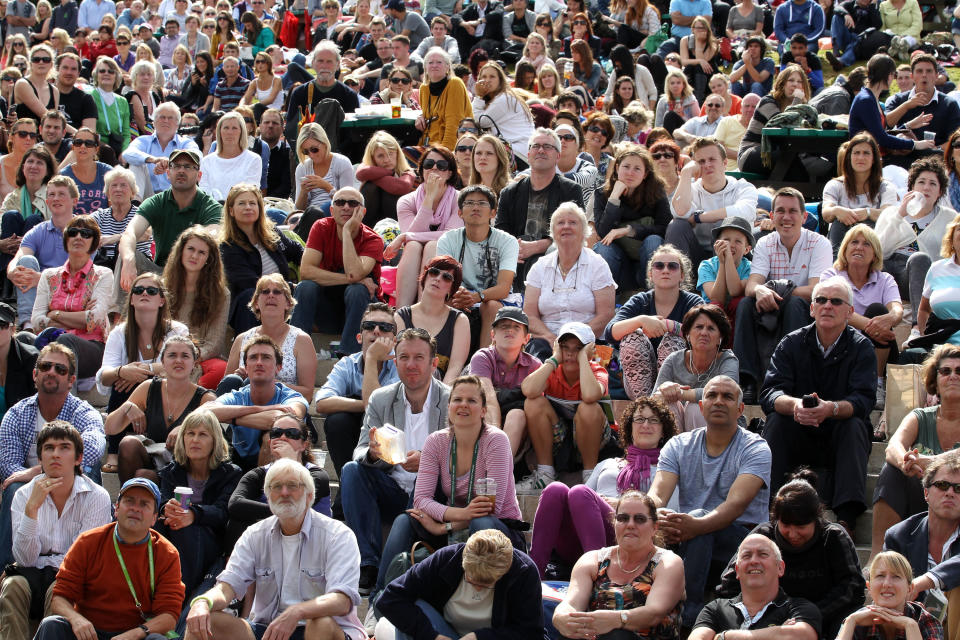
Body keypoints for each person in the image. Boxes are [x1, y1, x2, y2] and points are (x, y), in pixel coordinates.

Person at [184, 457, 366, 640]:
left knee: (320, 622)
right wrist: (203, 602)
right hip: (270, 630)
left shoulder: (337, 535)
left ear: (309, 495)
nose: (284, 492)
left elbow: (342, 600)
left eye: (293, 486)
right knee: (206, 620)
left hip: (327, 631)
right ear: (268, 496)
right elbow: (227, 587)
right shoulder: (254, 535)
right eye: (276, 487)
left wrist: (298, 611)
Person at [649, 375, 772, 628]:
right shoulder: (679, 444)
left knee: (700, 521)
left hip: (742, 541)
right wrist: (656, 516)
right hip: (690, 536)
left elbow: (734, 506)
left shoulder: (756, 448)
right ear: (702, 406)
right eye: (712, 395)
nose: (718, 401)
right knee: (648, 521)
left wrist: (694, 525)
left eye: (727, 397)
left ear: (740, 409)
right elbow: (657, 495)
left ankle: (688, 612)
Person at [379, 374, 526, 584]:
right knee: (405, 520)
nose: (463, 405)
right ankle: (381, 594)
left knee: (481, 522)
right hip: (457, 524)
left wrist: (445, 526)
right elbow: (421, 500)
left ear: (483, 410)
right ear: (448, 407)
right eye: (457, 399)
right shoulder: (436, 442)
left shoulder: (496, 441)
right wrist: (460, 514)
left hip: (499, 531)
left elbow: (492, 508)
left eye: (472, 400)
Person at [760, 276, 877, 534]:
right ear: (811, 308)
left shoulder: (862, 348)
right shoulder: (790, 343)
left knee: (855, 425)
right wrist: (796, 406)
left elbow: (864, 399)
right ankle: (770, 512)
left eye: (836, 301)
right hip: (798, 431)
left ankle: (846, 520)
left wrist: (831, 409)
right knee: (777, 421)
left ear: (850, 311)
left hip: (837, 436)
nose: (827, 306)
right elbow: (770, 393)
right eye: (821, 300)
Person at [340, 328, 450, 595]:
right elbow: (360, 450)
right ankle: (367, 564)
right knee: (351, 470)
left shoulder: (450, 400)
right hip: (391, 486)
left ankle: (391, 578)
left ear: (433, 363)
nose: (411, 365)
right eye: (404, 357)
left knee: (428, 485)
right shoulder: (381, 398)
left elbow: (465, 457)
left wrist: (428, 462)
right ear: (395, 361)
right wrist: (373, 454)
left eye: (419, 357)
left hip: (433, 493)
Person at [529, 398, 679, 577]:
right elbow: (578, 503)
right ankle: (534, 573)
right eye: (639, 419)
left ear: (663, 431)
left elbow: (667, 515)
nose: (646, 424)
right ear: (630, 428)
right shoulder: (608, 464)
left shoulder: (666, 471)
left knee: (580, 492)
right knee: (556, 490)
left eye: (654, 420)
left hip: (627, 535)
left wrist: (622, 506)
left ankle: (599, 575)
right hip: (582, 537)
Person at [32, 477, 184, 640]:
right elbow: (60, 598)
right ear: (116, 509)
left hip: (135, 634)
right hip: (89, 633)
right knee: (52, 625)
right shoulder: (88, 542)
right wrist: (75, 619)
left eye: (144, 504)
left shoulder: (166, 553)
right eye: (129, 501)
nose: (135, 509)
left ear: (154, 518)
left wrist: (136, 634)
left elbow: (169, 616)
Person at [717, 471, 865, 638]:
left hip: (826, 617)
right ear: (775, 519)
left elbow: (852, 586)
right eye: (786, 525)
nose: (793, 534)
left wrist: (809, 617)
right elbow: (729, 584)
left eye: (801, 526)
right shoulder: (763, 537)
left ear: (816, 520)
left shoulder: (833, 537)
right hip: (767, 620)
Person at [0, 422, 111, 640]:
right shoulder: (23, 495)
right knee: (12, 586)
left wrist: (48, 564)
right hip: (32, 571)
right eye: (49, 448)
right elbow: (25, 559)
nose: (55, 455)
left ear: (78, 458)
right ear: (40, 459)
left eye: (64, 447)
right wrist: (32, 509)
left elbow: (84, 559)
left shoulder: (97, 496)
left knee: (59, 590)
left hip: (70, 575)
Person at [733, 187, 832, 402]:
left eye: (792, 211)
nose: (786, 217)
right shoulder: (765, 243)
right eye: (780, 211)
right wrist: (760, 290)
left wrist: (780, 293)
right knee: (745, 304)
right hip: (770, 307)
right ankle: (746, 379)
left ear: (804, 217)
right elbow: (752, 285)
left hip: (804, 310)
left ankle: (788, 376)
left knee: (795, 302)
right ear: (771, 215)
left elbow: (817, 290)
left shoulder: (819, 243)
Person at [551, 490, 685, 639]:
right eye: (623, 518)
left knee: (617, 636)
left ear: (655, 527)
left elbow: (654, 613)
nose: (630, 525)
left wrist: (617, 620)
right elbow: (572, 603)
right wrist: (560, 616)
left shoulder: (668, 563)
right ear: (614, 523)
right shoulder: (593, 561)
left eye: (640, 519)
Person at [96, 272, 189, 473]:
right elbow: (104, 375)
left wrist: (141, 370)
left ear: (162, 300)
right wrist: (122, 370)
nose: (144, 293)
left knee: (133, 380)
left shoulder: (177, 331)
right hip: (129, 402)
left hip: (167, 396)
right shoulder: (119, 333)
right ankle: (113, 451)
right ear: (131, 299)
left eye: (151, 290)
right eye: (138, 290)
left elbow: (179, 365)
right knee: (120, 381)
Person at [376, 528, 543, 640]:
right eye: (471, 580)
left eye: (486, 584)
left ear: (506, 570)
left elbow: (531, 632)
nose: (478, 588)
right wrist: (432, 636)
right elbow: (390, 598)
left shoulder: (523, 572)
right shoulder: (446, 559)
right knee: (410, 609)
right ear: (463, 560)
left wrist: (480, 637)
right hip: (443, 631)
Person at [314, 302, 399, 504]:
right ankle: (349, 484)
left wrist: (370, 359)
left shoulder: (400, 364)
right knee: (337, 421)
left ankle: (349, 493)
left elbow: (380, 411)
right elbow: (322, 403)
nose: (376, 331)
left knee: (378, 422)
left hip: (388, 442)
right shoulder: (347, 364)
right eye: (369, 326)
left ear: (394, 340)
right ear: (359, 337)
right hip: (354, 440)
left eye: (385, 327)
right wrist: (359, 404)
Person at [104, 334, 215, 485]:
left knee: (144, 476)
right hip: (153, 461)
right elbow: (110, 428)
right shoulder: (148, 387)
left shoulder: (205, 398)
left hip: (185, 470)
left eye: (185, 356)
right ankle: (128, 500)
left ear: (194, 363)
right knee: (128, 443)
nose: (178, 360)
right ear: (162, 362)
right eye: (172, 355)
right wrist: (126, 407)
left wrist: (185, 427)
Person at [155, 408, 240, 601]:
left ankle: (180, 597)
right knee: (156, 526)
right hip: (175, 531)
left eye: (203, 435)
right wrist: (166, 509)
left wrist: (193, 515)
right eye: (190, 434)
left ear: (215, 441)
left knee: (187, 530)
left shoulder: (230, 473)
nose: (195, 440)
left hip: (211, 541)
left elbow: (223, 512)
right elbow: (162, 503)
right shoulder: (171, 472)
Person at [517, 321, 611, 492]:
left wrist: (583, 359)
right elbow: (528, 390)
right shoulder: (552, 368)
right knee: (534, 402)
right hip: (558, 437)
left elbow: (590, 395)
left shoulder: (597, 371)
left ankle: (590, 477)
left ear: (589, 350)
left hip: (592, 438)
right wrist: (554, 358)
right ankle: (545, 474)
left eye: (578, 348)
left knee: (588, 407)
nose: (570, 353)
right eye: (565, 347)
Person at [116, 148, 221, 295]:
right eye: (176, 166)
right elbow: (130, 233)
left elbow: (212, 237)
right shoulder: (157, 202)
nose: (181, 171)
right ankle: (122, 316)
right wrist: (128, 260)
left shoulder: (210, 206)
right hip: (160, 270)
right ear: (168, 173)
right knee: (126, 256)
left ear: (199, 175)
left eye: (188, 167)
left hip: (193, 272)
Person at [290, 188, 381, 356]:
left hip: (360, 315)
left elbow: (354, 274)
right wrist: (352, 279)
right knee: (305, 287)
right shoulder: (321, 227)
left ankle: (348, 357)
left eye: (352, 203)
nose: (346, 207)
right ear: (332, 210)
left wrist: (346, 232)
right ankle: (293, 351)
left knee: (357, 290)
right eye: (340, 203)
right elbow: (306, 272)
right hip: (328, 313)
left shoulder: (372, 239)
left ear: (363, 211)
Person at [820, 224, 902, 410]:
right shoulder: (831, 275)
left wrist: (889, 318)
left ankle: (877, 382)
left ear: (875, 254)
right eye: (854, 242)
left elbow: (897, 309)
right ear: (845, 249)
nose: (859, 247)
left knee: (878, 310)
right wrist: (871, 326)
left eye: (866, 244)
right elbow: (832, 309)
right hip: (843, 342)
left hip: (879, 346)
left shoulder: (885, 279)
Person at [605, 245, 702, 400]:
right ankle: (645, 404)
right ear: (650, 274)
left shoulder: (693, 302)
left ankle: (662, 400)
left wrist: (669, 326)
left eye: (672, 266)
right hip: (638, 384)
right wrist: (642, 321)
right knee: (632, 338)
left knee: (672, 341)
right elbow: (610, 332)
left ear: (682, 275)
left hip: (681, 385)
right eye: (659, 266)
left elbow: (705, 334)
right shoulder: (640, 301)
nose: (665, 270)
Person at [876, 157, 955, 343]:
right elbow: (877, 252)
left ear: (940, 192)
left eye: (932, 184)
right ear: (911, 188)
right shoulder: (891, 213)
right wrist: (899, 215)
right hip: (889, 268)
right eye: (921, 182)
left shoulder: (950, 218)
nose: (926, 188)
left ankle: (918, 327)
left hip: (920, 272)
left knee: (919, 259)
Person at [524, 203, 615, 361]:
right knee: (539, 358)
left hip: (587, 341)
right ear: (553, 231)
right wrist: (550, 337)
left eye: (573, 222)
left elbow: (606, 314)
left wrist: (575, 339)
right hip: (547, 342)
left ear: (584, 231)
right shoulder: (539, 267)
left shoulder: (598, 264)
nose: (566, 226)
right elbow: (530, 315)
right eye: (560, 223)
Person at [883, 450, 960, 635]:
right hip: (914, 624)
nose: (950, 493)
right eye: (942, 485)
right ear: (926, 493)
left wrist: (925, 581)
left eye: (959, 488)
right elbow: (887, 584)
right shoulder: (899, 535)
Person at [226, 414, 332, 545]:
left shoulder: (317, 474)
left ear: (304, 444)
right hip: (272, 541)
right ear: (270, 443)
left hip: (311, 543)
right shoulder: (258, 474)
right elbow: (235, 504)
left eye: (291, 433)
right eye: (276, 433)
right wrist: (281, 511)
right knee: (237, 521)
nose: (283, 437)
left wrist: (290, 461)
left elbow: (303, 499)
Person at [690, 534, 822, 640]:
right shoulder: (715, 609)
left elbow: (802, 635)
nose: (754, 561)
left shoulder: (799, 608)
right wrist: (777, 633)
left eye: (763, 554)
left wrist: (726, 636)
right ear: (737, 570)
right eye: (746, 556)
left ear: (780, 568)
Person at [206, 335, 309, 470]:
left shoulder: (292, 397)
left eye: (266, 357)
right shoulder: (237, 396)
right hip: (239, 459)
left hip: (282, 466)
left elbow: (281, 420)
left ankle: (262, 490)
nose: (259, 362)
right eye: (253, 357)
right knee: (205, 430)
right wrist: (259, 409)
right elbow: (205, 411)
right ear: (246, 367)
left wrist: (233, 419)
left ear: (279, 367)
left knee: (272, 437)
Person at [495, 129, 583, 285]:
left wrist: (538, 246)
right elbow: (501, 232)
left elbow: (574, 233)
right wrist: (513, 250)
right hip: (516, 258)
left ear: (558, 156)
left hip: (553, 258)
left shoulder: (570, 190)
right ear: (528, 155)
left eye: (547, 147)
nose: (541, 150)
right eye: (536, 146)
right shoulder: (510, 193)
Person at [30, 215, 112, 380]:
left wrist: (55, 314)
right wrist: (80, 317)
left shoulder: (103, 274)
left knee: (66, 340)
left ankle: (65, 401)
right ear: (66, 239)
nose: (79, 237)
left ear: (94, 242)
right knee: (23, 339)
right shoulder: (49, 276)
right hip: (52, 343)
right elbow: (36, 321)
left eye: (86, 233)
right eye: (73, 232)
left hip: (91, 347)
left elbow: (93, 319)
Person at [437, 186, 519, 350]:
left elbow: (504, 288)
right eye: (469, 203)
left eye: (482, 203)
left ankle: (483, 363)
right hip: (459, 294)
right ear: (460, 212)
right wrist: (459, 293)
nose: (475, 207)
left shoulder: (507, 241)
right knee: (444, 301)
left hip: (493, 298)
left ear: (493, 213)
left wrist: (476, 297)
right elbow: (443, 278)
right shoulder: (448, 239)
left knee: (491, 306)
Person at [218, 184, 302, 332]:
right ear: (231, 211)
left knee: (308, 289)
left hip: (281, 297)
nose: (248, 207)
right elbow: (249, 282)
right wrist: (288, 287)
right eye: (242, 203)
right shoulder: (227, 247)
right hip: (251, 304)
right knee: (251, 295)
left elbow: (297, 251)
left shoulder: (272, 234)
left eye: (252, 203)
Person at [387, 147, 463, 308]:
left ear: (449, 172)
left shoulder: (459, 199)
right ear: (422, 171)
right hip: (413, 257)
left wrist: (405, 236)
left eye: (441, 165)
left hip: (451, 256)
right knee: (413, 245)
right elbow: (413, 236)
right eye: (429, 164)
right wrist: (428, 199)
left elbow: (450, 236)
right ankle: (402, 312)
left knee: (432, 245)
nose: (434, 168)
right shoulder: (406, 201)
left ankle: (424, 309)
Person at [667, 137, 759, 269]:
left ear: (725, 162)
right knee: (676, 225)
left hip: (730, 260)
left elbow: (745, 212)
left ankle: (720, 284)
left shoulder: (742, 187)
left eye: (712, 159)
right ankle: (679, 282)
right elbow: (679, 213)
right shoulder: (692, 188)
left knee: (726, 224)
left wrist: (699, 217)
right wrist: (686, 172)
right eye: (701, 161)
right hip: (696, 253)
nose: (707, 165)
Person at [6, 173, 80, 331]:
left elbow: (82, 273)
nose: (56, 198)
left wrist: (42, 278)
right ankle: (28, 326)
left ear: (74, 201)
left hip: (72, 293)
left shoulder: (85, 231)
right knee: (26, 262)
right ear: (47, 202)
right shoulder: (39, 230)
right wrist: (12, 271)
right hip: (38, 295)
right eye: (52, 195)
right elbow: (20, 255)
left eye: (61, 194)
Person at [592, 145, 671, 292]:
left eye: (637, 169)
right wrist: (614, 198)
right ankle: (607, 299)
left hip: (647, 260)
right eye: (626, 166)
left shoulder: (656, 191)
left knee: (653, 240)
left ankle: (655, 296)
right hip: (620, 262)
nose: (630, 173)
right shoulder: (602, 193)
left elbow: (665, 227)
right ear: (617, 168)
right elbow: (603, 233)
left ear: (645, 173)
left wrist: (629, 230)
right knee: (603, 248)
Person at [653, 304, 739, 431]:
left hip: (721, 430)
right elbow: (654, 399)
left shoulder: (727, 360)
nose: (704, 332)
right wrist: (664, 389)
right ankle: (674, 450)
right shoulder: (673, 359)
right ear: (687, 334)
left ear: (720, 338)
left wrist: (681, 393)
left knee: (697, 407)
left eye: (711, 328)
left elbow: (726, 392)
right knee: (666, 405)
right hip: (677, 429)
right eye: (699, 327)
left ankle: (701, 451)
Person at [162, 227, 229, 388]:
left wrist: (189, 358)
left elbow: (215, 343)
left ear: (209, 259)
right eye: (190, 249)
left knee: (221, 370)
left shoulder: (221, 294)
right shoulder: (161, 288)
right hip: (165, 356)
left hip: (200, 358)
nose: (194, 256)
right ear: (181, 251)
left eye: (201, 252)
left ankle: (192, 398)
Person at [467, 306, 541, 454]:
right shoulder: (482, 357)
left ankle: (499, 469)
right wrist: (495, 435)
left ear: (526, 338)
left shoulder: (535, 365)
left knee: (517, 415)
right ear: (493, 335)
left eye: (516, 327)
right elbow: (486, 397)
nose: (510, 330)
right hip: (483, 417)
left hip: (519, 430)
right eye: (504, 326)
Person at [394, 255, 470, 385]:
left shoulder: (460, 320)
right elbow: (398, 363)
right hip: (406, 385)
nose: (438, 279)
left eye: (447, 277)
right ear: (425, 276)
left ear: (452, 289)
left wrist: (441, 396)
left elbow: (455, 367)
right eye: (434, 272)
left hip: (442, 387)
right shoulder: (400, 316)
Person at [836, 551, 942, 640]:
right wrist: (850, 621)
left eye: (896, 576)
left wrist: (910, 626)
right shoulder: (856, 620)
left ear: (910, 588)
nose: (887, 584)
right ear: (869, 587)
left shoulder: (925, 620)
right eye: (880, 576)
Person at [822, 132, 899, 253]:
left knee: (869, 223)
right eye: (856, 153)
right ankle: (837, 267)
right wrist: (837, 210)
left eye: (866, 153)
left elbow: (890, 216)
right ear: (849, 157)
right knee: (838, 222)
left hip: (874, 244)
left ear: (874, 158)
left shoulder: (886, 187)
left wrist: (867, 212)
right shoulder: (835, 185)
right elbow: (826, 213)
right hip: (842, 242)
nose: (861, 157)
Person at [849, 54, 936, 160]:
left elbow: (881, 132)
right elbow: (882, 138)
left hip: (875, 156)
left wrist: (908, 125)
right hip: (867, 158)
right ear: (889, 75)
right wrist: (916, 144)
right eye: (895, 75)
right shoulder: (866, 100)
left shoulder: (871, 98)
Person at [738, 65, 812, 174]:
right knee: (789, 160)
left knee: (799, 165)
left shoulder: (801, 107)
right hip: (751, 153)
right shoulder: (767, 102)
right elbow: (783, 124)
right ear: (782, 84)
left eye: (799, 82)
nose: (795, 84)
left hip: (776, 151)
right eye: (791, 80)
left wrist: (804, 107)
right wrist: (797, 101)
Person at [121, 101, 199, 199]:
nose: (166, 120)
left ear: (177, 124)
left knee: (190, 165)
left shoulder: (185, 142)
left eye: (170, 118)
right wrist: (154, 160)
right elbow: (127, 154)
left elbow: (197, 156)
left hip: (176, 194)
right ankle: (136, 205)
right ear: (154, 122)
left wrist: (170, 162)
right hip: (147, 195)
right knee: (136, 164)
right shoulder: (143, 140)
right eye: (162, 117)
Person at [91, 167, 150, 271]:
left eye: (123, 185)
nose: (118, 189)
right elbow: (88, 237)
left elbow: (145, 234)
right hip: (105, 267)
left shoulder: (141, 214)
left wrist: (115, 238)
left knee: (123, 254)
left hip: (137, 266)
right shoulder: (99, 216)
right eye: (114, 185)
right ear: (108, 193)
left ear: (132, 192)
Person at [471, 62, 534, 158]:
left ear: (500, 80)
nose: (487, 80)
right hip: (510, 149)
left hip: (518, 152)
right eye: (483, 77)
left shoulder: (505, 98)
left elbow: (481, 121)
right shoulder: (496, 98)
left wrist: (479, 97)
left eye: (492, 77)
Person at [356, 132, 416, 230]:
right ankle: (364, 232)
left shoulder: (407, 172)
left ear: (397, 153)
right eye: (380, 156)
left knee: (391, 189)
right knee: (370, 187)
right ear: (373, 158)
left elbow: (402, 186)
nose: (387, 160)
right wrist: (388, 172)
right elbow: (361, 172)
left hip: (397, 225)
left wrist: (375, 175)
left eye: (390, 154)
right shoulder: (366, 167)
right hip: (370, 222)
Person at [293, 123, 354, 219]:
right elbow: (298, 210)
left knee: (326, 207)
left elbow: (349, 203)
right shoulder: (302, 167)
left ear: (325, 144)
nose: (311, 155)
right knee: (274, 213)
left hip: (335, 214)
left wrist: (326, 186)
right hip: (309, 216)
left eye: (314, 149)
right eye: (305, 151)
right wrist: (303, 192)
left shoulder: (342, 163)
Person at [416, 47, 472, 152]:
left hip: (449, 147)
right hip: (427, 145)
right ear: (425, 67)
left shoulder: (454, 84)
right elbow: (428, 115)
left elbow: (454, 123)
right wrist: (420, 117)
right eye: (430, 62)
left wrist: (445, 152)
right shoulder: (424, 88)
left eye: (439, 62)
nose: (434, 65)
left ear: (447, 67)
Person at [697, 216, 754, 317]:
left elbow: (734, 291)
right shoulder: (706, 265)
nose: (731, 245)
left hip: (738, 315)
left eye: (738, 241)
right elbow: (716, 299)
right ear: (716, 244)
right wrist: (722, 263)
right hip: (711, 317)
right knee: (715, 305)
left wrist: (728, 261)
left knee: (738, 302)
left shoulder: (750, 267)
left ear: (747, 250)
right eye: (726, 240)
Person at [58, 129, 110, 216]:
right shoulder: (64, 176)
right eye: (78, 142)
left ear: (96, 149)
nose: (83, 146)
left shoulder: (108, 173)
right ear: (73, 147)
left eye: (88, 143)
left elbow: (114, 209)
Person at [88, 57, 130, 157]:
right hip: (98, 149)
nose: (106, 73)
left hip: (119, 148)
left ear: (116, 76)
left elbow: (126, 133)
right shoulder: (89, 97)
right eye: (102, 71)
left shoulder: (122, 101)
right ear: (96, 75)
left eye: (111, 71)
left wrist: (124, 153)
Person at [826, 0, 883, 70]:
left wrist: (872, 6)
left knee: (855, 43)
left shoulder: (873, 9)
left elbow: (878, 25)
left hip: (861, 42)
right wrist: (845, 14)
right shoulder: (850, 4)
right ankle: (836, 52)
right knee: (836, 17)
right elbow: (837, 8)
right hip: (847, 37)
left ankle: (840, 62)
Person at [0, 117, 41, 203]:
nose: (28, 138)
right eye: (23, 134)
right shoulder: (1, 164)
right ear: (11, 137)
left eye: (33, 135)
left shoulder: (42, 166)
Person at [14, 45, 58, 122]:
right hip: (25, 133)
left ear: (51, 64)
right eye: (36, 59)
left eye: (46, 59)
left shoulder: (54, 91)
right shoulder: (22, 84)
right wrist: (76, 132)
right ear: (30, 64)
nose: (41, 62)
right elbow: (48, 118)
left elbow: (55, 123)